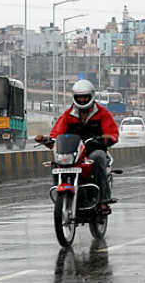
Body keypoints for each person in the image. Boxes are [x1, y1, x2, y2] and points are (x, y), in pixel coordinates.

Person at [35, 79, 119, 215]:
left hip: (93, 149)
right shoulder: (68, 115)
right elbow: (57, 133)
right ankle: (59, 193)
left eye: (85, 97)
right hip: (74, 151)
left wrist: (107, 138)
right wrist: (47, 139)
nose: (83, 100)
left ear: (91, 96)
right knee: (57, 163)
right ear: (74, 97)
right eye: (80, 97)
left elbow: (112, 133)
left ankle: (103, 200)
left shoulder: (102, 113)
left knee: (98, 158)